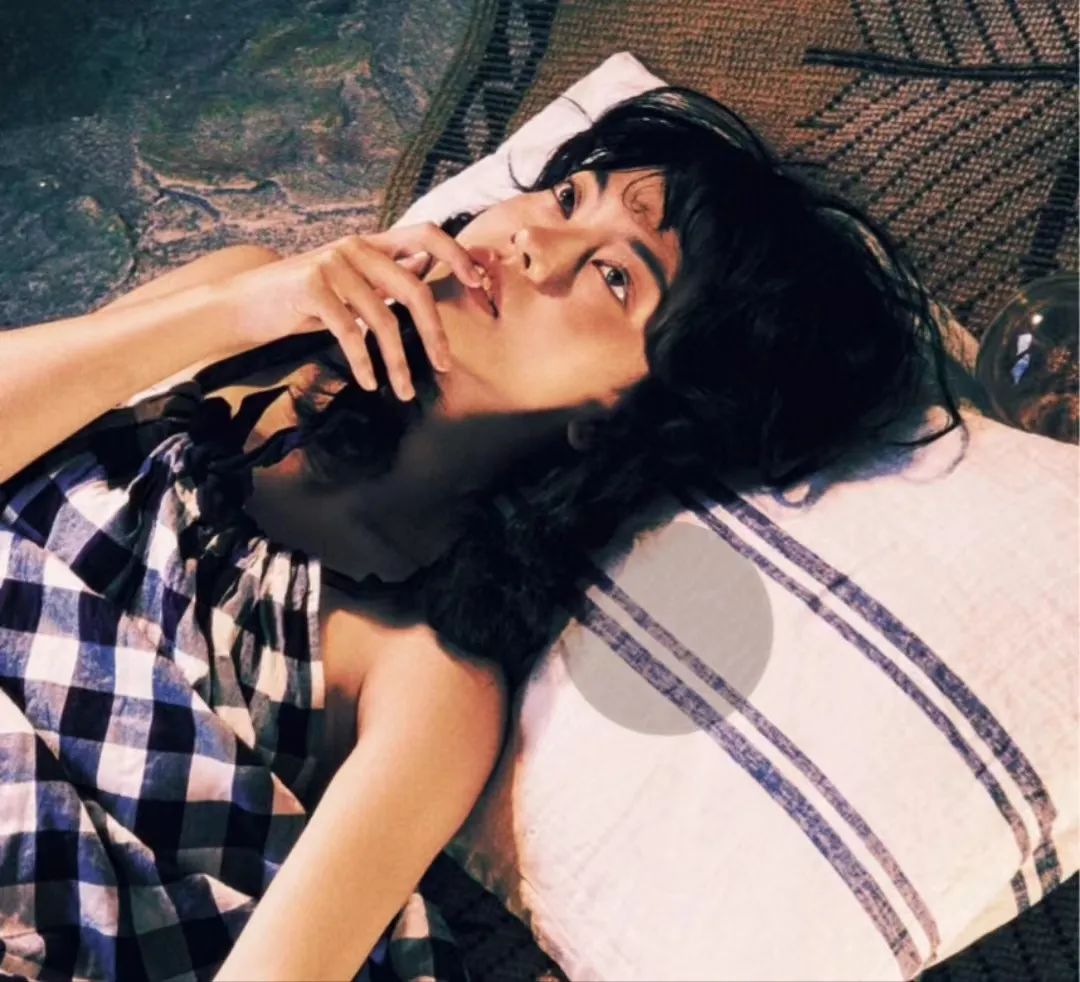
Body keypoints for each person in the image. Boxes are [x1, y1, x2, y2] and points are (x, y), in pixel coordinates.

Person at [0, 86, 964, 980]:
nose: (533, 240)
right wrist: (233, 310)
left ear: (624, 415)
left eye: (615, 277)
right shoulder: (241, 308)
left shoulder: (428, 677)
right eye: (568, 195)